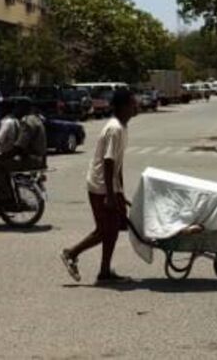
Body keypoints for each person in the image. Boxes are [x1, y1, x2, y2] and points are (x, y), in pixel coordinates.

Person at [61, 89, 136, 285]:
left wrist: (120, 192)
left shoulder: (122, 127)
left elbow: (118, 164)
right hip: (100, 185)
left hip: (109, 186)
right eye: (132, 103)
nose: (136, 106)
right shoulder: (114, 129)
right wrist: (110, 196)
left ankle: (104, 272)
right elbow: (108, 161)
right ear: (123, 106)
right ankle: (71, 253)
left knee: (113, 229)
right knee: (105, 230)